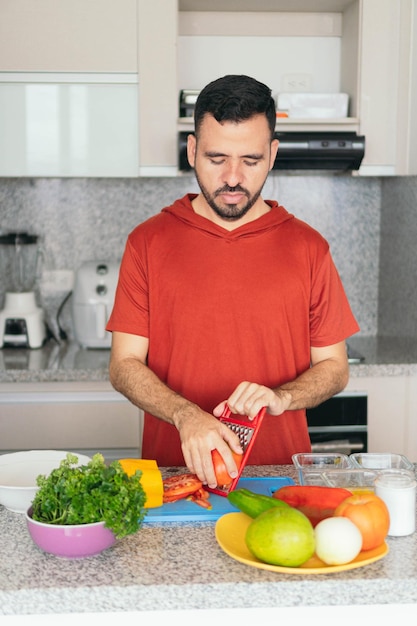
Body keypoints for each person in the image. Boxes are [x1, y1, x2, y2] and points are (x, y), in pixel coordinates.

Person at [106, 74, 359, 488]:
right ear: (192, 151)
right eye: (216, 157)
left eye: (251, 160)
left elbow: (334, 367)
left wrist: (283, 398)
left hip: (280, 481)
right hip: (175, 483)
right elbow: (124, 365)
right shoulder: (147, 242)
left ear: (273, 154)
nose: (233, 178)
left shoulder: (309, 248)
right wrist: (185, 414)